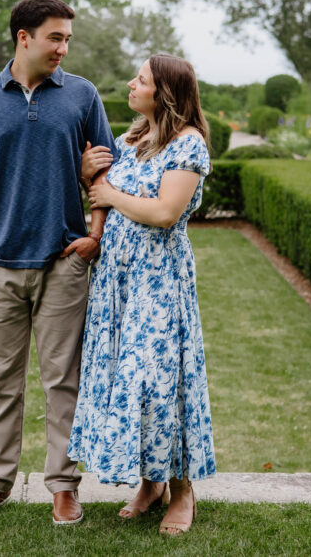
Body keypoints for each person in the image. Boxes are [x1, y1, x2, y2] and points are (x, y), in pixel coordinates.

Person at [0, 0, 116, 525]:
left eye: (68, 38)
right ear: (24, 38)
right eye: (56, 37)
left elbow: (106, 172)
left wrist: (94, 235)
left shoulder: (83, 96)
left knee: (62, 380)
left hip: (63, 261)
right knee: (3, 382)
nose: (64, 48)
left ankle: (63, 485)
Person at [67, 53, 217, 537]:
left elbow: (165, 212)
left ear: (166, 93)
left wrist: (109, 196)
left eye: (141, 80)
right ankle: (150, 485)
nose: (131, 85)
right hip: (117, 283)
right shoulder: (132, 139)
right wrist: (90, 172)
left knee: (160, 384)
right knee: (128, 383)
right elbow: (99, 188)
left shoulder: (187, 145)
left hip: (158, 283)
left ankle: (182, 490)